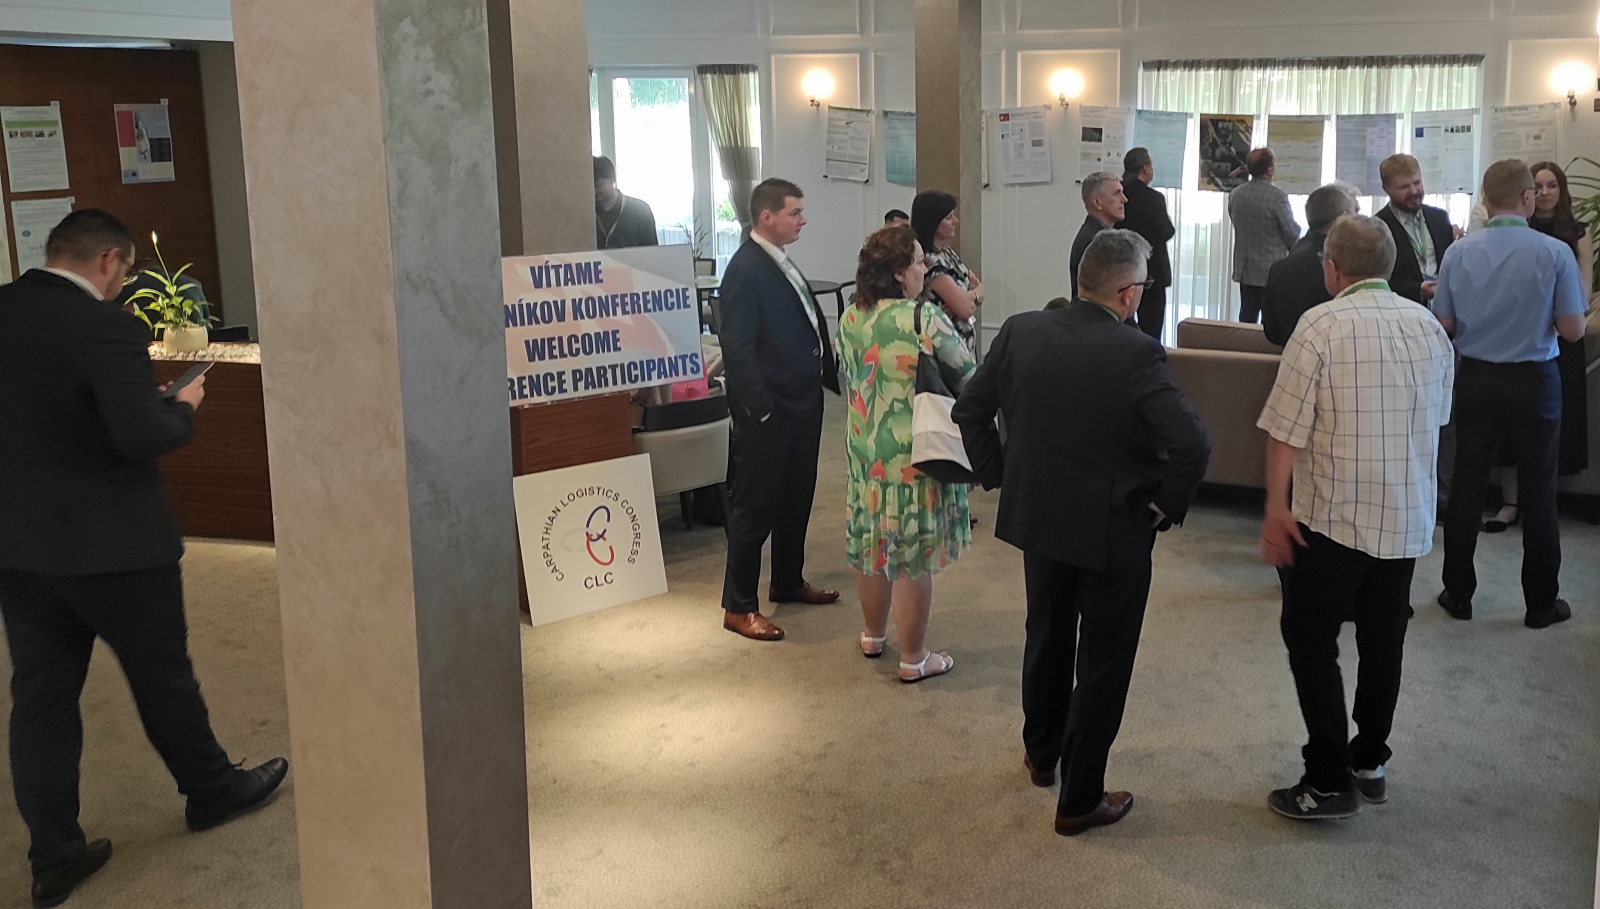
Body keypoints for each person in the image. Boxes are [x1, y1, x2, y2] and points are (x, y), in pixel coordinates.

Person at [0, 210, 289, 908]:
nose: (123, 282)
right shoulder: (107, 327)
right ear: (108, 259)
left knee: (40, 699)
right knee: (163, 679)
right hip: (118, 548)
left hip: (21, 547)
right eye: (125, 271)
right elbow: (141, 437)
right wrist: (181, 405)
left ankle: (54, 856)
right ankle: (212, 791)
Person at [952, 230, 1210, 837]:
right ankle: (1080, 799)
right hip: (1114, 530)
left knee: (1045, 635)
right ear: (1127, 294)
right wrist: (1165, 506)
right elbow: (1193, 442)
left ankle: (1042, 755)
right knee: (1103, 661)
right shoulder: (1137, 352)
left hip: (1040, 520)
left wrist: (1001, 475)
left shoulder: (1020, 331)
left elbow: (969, 409)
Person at [1257, 215, 1455, 821]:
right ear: (1391, 267)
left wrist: (1274, 509)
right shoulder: (1431, 328)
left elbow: (1284, 430)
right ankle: (1369, 762)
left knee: (1312, 639)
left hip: (1332, 517)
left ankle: (1326, 779)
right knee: (1383, 640)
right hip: (1407, 517)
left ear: (1332, 268)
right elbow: (1438, 420)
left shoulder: (1319, 325)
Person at [1434, 159, 1588, 629]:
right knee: (1539, 491)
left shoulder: (1457, 253)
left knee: (1467, 486)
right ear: (1527, 197)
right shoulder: (1555, 253)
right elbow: (1573, 330)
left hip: (1477, 380)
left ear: (1485, 199)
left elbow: (1444, 323)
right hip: (1535, 381)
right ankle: (1540, 604)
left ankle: (1458, 594)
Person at [836, 226, 974, 681]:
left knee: (875, 547)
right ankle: (914, 658)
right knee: (912, 559)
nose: (924, 268)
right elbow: (968, 375)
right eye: (918, 261)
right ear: (899, 273)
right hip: (915, 455)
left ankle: (873, 635)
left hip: (865, 454)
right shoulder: (922, 318)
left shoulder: (850, 317)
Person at [717, 179, 842, 641]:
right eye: (794, 212)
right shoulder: (745, 269)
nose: (802, 220)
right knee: (755, 508)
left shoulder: (777, 258)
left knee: (796, 498)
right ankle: (738, 607)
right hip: (770, 412)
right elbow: (738, 349)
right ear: (766, 216)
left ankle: (787, 580)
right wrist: (761, 411)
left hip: (802, 403)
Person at [1484, 161, 1596, 532]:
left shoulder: (1577, 232)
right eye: (1538, 186)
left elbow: (1582, 290)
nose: (1545, 192)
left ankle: (1541, 504)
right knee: (1510, 428)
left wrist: (1560, 317)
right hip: (1521, 335)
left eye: (1552, 185)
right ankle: (1509, 503)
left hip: (1564, 337)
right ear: (1526, 193)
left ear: (1562, 190)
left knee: (1551, 426)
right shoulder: (1515, 230)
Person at [1261, 183, 1358, 346]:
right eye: (1356, 212)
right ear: (1343, 218)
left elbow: (1272, 333)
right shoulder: (1350, 267)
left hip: (1290, 357)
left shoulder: (1279, 268)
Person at [1227, 148, 1301, 324]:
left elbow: (1236, 222)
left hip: (1245, 268)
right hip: (1272, 270)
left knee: (1247, 318)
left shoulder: (1235, 194)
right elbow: (1292, 235)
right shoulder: (1278, 197)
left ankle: (1244, 343)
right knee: (1271, 321)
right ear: (1269, 170)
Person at [1374, 154, 1457, 305]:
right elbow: (1376, 283)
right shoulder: (1378, 227)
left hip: (1442, 310)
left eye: (1417, 183)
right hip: (1401, 310)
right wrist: (1416, 291)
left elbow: (1452, 267)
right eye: (1404, 187)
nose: (1413, 191)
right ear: (1386, 189)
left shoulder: (1439, 219)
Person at [1115, 147, 1177, 341]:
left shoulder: (1117, 195)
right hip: (1152, 273)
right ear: (1145, 169)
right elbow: (1167, 231)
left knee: (1123, 330)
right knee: (1151, 333)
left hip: (1122, 271)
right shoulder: (1154, 198)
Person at [911, 190, 983, 350]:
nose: (955, 221)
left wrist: (971, 294)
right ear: (933, 222)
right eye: (949, 218)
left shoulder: (948, 253)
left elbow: (980, 290)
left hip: (964, 341)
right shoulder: (930, 262)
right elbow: (965, 309)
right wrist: (971, 295)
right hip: (946, 344)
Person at [1069, 172, 1126, 298]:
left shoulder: (1100, 236)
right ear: (1097, 203)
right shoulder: (1094, 242)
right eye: (1117, 193)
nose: (1124, 199)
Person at [593, 155, 659, 250]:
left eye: (598, 185)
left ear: (612, 180)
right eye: (590, 186)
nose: (594, 191)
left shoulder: (640, 210)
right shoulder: (585, 213)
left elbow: (652, 251)